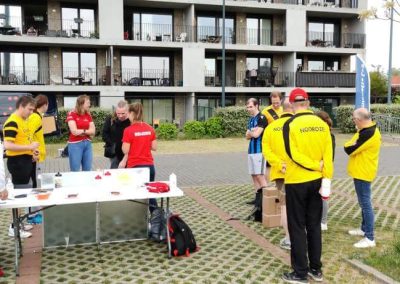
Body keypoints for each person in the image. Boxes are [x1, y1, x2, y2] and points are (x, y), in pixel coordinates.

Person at [281, 88, 333, 283]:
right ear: (308, 103)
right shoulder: (322, 124)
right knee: (314, 225)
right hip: (317, 181)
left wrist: (313, 166)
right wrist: (326, 178)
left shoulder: (290, 124)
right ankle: (316, 269)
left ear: (292, 104)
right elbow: (329, 155)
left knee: (297, 226)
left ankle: (300, 272)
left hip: (297, 180)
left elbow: (292, 153)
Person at [344, 108, 381, 248]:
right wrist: (351, 144)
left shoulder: (368, 133)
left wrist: (351, 145)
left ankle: (370, 238)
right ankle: (364, 229)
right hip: (361, 170)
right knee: (363, 202)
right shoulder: (366, 130)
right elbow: (349, 144)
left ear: (359, 120)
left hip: (363, 172)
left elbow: (349, 149)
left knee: (365, 204)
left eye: (354, 119)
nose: (353, 121)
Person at [3, 95, 39, 238]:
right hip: (17, 162)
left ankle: (19, 222)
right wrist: (28, 147)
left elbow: (25, 140)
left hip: (25, 160)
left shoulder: (23, 120)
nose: (31, 112)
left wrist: (32, 151)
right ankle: (13, 226)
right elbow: (7, 145)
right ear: (21, 106)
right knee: (18, 195)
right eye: (29, 109)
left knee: (24, 193)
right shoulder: (12, 121)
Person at [262, 98, 293, 250]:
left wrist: (280, 165)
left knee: (285, 207)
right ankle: (301, 235)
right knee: (300, 205)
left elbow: (266, 151)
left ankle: (288, 239)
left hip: (280, 173)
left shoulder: (271, 128)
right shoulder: (298, 125)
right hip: (299, 172)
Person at [120, 102, 158, 211]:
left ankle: (138, 220)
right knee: (149, 194)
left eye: (128, 113)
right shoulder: (150, 128)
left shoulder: (128, 130)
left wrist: (134, 143)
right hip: (149, 167)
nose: (127, 116)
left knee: (135, 195)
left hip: (135, 167)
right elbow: (154, 147)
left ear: (132, 113)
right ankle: (156, 217)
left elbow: (125, 150)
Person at [316, 110, 336, 232]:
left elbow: (330, 156)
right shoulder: (326, 134)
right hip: (321, 169)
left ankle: (323, 222)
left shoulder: (328, 135)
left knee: (323, 196)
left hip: (324, 170)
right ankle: (320, 220)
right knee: (320, 196)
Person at [245, 98, 268, 205]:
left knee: (260, 175)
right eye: (247, 107)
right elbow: (247, 136)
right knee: (254, 175)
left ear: (256, 106)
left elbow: (256, 134)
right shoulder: (250, 120)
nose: (249, 109)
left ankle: (267, 198)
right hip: (251, 151)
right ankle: (258, 199)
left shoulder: (262, 118)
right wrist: (251, 132)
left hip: (260, 151)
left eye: (250, 107)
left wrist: (251, 132)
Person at [66, 95, 95, 171]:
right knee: (75, 170)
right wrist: (87, 131)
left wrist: (83, 131)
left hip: (87, 144)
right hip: (75, 145)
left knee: (87, 170)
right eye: (88, 103)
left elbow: (93, 131)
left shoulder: (88, 114)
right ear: (81, 104)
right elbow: (74, 131)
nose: (89, 105)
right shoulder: (71, 113)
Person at [261, 91, 283, 184]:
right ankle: (268, 188)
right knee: (269, 166)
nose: (275, 105)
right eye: (273, 103)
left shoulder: (284, 110)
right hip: (271, 143)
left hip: (282, 143)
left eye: (277, 102)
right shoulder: (265, 112)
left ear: (281, 100)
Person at [102, 100, 130, 169]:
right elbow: (104, 134)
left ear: (128, 111)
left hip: (128, 152)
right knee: (114, 171)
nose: (120, 116)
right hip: (114, 152)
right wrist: (112, 144)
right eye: (118, 113)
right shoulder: (111, 119)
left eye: (123, 113)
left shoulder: (131, 121)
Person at [28, 95, 49, 188]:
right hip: (35, 154)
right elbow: (29, 135)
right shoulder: (36, 117)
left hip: (36, 153)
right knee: (35, 181)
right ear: (45, 104)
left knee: (35, 179)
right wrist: (32, 152)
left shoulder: (36, 116)